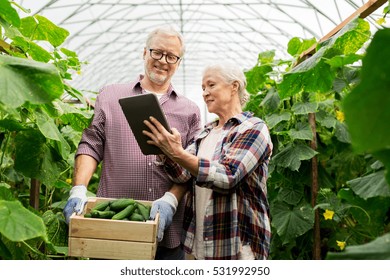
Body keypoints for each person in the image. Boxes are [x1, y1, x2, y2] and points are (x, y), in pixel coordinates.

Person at [63, 26, 201, 260]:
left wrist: (170, 200)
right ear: (144, 53)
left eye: (171, 56)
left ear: (178, 62)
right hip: (112, 225)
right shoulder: (110, 95)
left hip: (168, 233)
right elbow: (91, 144)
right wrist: (78, 189)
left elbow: (192, 167)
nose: (163, 61)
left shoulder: (190, 110)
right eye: (157, 52)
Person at [143, 61, 273, 260]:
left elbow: (228, 176)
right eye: (203, 88)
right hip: (197, 245)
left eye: (211, 85)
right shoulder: (204, 133)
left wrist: (177, 152)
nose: (204, 93)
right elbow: (182, 175)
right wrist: (164, 150)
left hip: (236, 248)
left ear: (234, 87)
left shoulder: (253, 128)